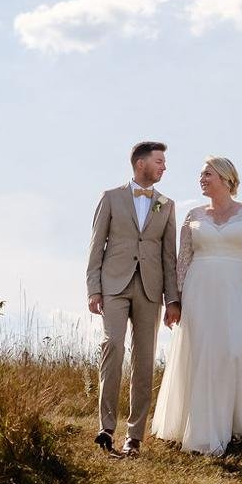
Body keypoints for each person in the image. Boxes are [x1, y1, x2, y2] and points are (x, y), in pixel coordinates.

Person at [150, 155, 242, 456]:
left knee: (233, 350)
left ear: (226, 178)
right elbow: (182, 262)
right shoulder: (192, 216)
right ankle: (201, 429)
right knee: (202, 352)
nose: (202, 179)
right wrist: (174, 301)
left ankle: (235, 424)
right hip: (199, 290)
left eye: (207, 174)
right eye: (201, 175)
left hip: (237, 291)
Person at [85, 140, 181, 456]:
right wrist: (93, 288)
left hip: (150, 290)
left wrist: (173, 300)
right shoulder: (110, 198)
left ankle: (134, 436)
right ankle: (105, 428)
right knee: (112, 345)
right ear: (141, 163)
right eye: (159, 161)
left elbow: (170, 256)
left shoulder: (166, 205)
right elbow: (96, 245)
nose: (164, 166)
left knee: (144, 358)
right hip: (113, 285)